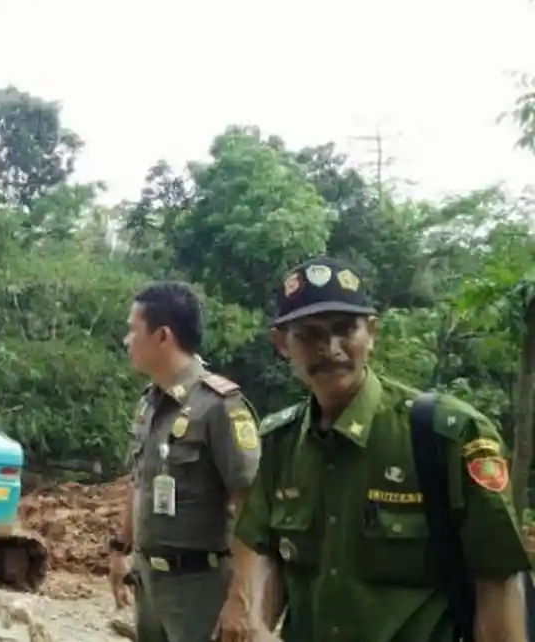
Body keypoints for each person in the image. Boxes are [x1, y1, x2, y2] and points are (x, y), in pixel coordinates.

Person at [217, 257, 531, 642]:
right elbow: (260, 545)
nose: (330, 348)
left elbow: (497, 578)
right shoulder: (280, 444)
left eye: (345, 329)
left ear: (372, 332)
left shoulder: (447, 435)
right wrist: (251, 618)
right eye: (309, 334)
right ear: (282, 344)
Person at [108, 281, 262, 642]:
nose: (127, 340)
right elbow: (140, 480)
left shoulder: (219, 407)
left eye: (133, 330)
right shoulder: (149, 404)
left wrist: (241, 600)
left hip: (200, 589)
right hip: (150, 584)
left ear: (162, 336)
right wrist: (120, 550)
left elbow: (251, 505)